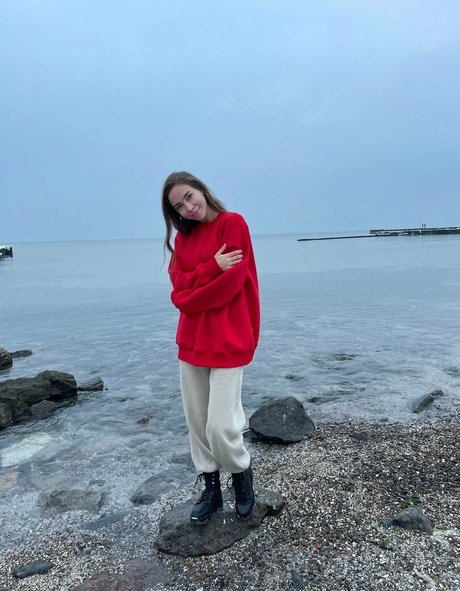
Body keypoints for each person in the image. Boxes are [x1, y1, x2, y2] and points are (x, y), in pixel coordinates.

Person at [161, 171, 260, 525]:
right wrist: (211, 268)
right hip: (192, 341)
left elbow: (229, 287)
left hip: (229, 338)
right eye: (179, 206)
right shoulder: (183, 240)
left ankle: (241, 474)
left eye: (189, 196)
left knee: (220, 425)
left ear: (201, 189)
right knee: (197, 422)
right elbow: (177, 290)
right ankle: (211, 487)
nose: (188, 207)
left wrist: (192, 293)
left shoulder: (233, 224)